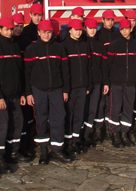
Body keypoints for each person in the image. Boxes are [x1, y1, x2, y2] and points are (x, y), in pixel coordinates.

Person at [24, 20, 73, 164]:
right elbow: (26, 73)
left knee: (59, 118)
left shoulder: (59, 49)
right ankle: (44, 151)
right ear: (38, 33)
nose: (46, 35)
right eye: (44, 32)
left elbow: (65, 71)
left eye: (49, 32)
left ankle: (57, 149)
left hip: (57, 89)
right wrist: (28, 93)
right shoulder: (31, 50)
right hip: (38, 90)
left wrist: (65, 90)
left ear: (53, 33)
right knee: (41, 119)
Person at [0, 17, 28, 172]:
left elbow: (20, 72)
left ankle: (13, 152)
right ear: (0, 29)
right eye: (7, 29)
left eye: (12, 29)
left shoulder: (15, 47)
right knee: (1, 127)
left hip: (15, 95)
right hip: (1, 97)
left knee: (17, 124)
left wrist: (22, 92)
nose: (10, 32)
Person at [107, 19, 136, 148]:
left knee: (128, 109)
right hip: (117, 82)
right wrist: (114, 76)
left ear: (131, 29)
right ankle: (115, 134)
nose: (124, 32)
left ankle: (124, 133)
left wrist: (133, 74)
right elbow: (109, 63)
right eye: (122, 29)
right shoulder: (114, 45)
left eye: (126, 29)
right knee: (116, 108)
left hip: (131, 83)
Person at [61, 19, 91, 154]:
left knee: (79, 114)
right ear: (70, 30)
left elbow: (88, 67)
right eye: (75, 30)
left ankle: (76, 140)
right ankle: (68, 142)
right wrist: (65, 89)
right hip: (71, 87)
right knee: (69, 114)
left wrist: (88, 85)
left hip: (83, 86)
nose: (78, 32)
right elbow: (64, 70)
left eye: (80, 30)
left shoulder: (85, 46)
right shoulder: (64, 46)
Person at [12, 12, 35, 157]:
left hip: (25, 82)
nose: (18, 29)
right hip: (13, 84)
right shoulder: (9, 43)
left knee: (27, 117)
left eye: (21, 26)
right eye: (16, 26)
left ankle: (26, 144)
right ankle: (15, 147)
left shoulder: (26, 42)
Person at [96, 9, 120, 142]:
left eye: (112, 20)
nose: (110, 22)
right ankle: (100, 130)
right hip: (101, 73)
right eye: (108, 20)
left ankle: (111, 128)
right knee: (100, 103)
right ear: (103, 20)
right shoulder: (99, 35)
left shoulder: (117, 35)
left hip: (114, 74)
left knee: (112, 103)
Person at [83, 18, 107, 147]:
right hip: (85, 82)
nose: (92, 30)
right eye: (90, 28)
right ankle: (84, 133)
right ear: (85, 28)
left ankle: (93, 132)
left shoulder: (100, 46)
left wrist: (106, 83)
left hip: (97, 82)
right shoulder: (82, 44)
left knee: (96, 107)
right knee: (85, 109)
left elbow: (104, 66)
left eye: (94, 28)